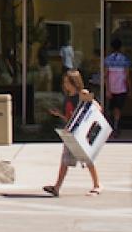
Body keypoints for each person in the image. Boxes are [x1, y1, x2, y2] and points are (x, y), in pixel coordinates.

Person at [42, 70, 101, 198]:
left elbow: (97, 107)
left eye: (67, 82)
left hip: (80, 132)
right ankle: (57, 187)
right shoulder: (68, 96)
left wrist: (88, 101)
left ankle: (97, 185)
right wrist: (59, 114)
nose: (65, 84)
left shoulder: (82, 94)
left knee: (87, 158)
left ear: (74, 82)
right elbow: (69, 117)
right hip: (70, 132)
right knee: (65, 161)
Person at [101, 39, 132, 138]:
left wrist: (107, 90)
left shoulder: (108, 60)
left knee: (112, 108)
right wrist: (130, 89)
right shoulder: (124, 60)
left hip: (111, 88)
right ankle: (116, 126)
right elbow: (127, 76)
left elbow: (105, 76)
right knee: (118, 109)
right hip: (121, 88)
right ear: (121, 47)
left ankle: (112, 126)